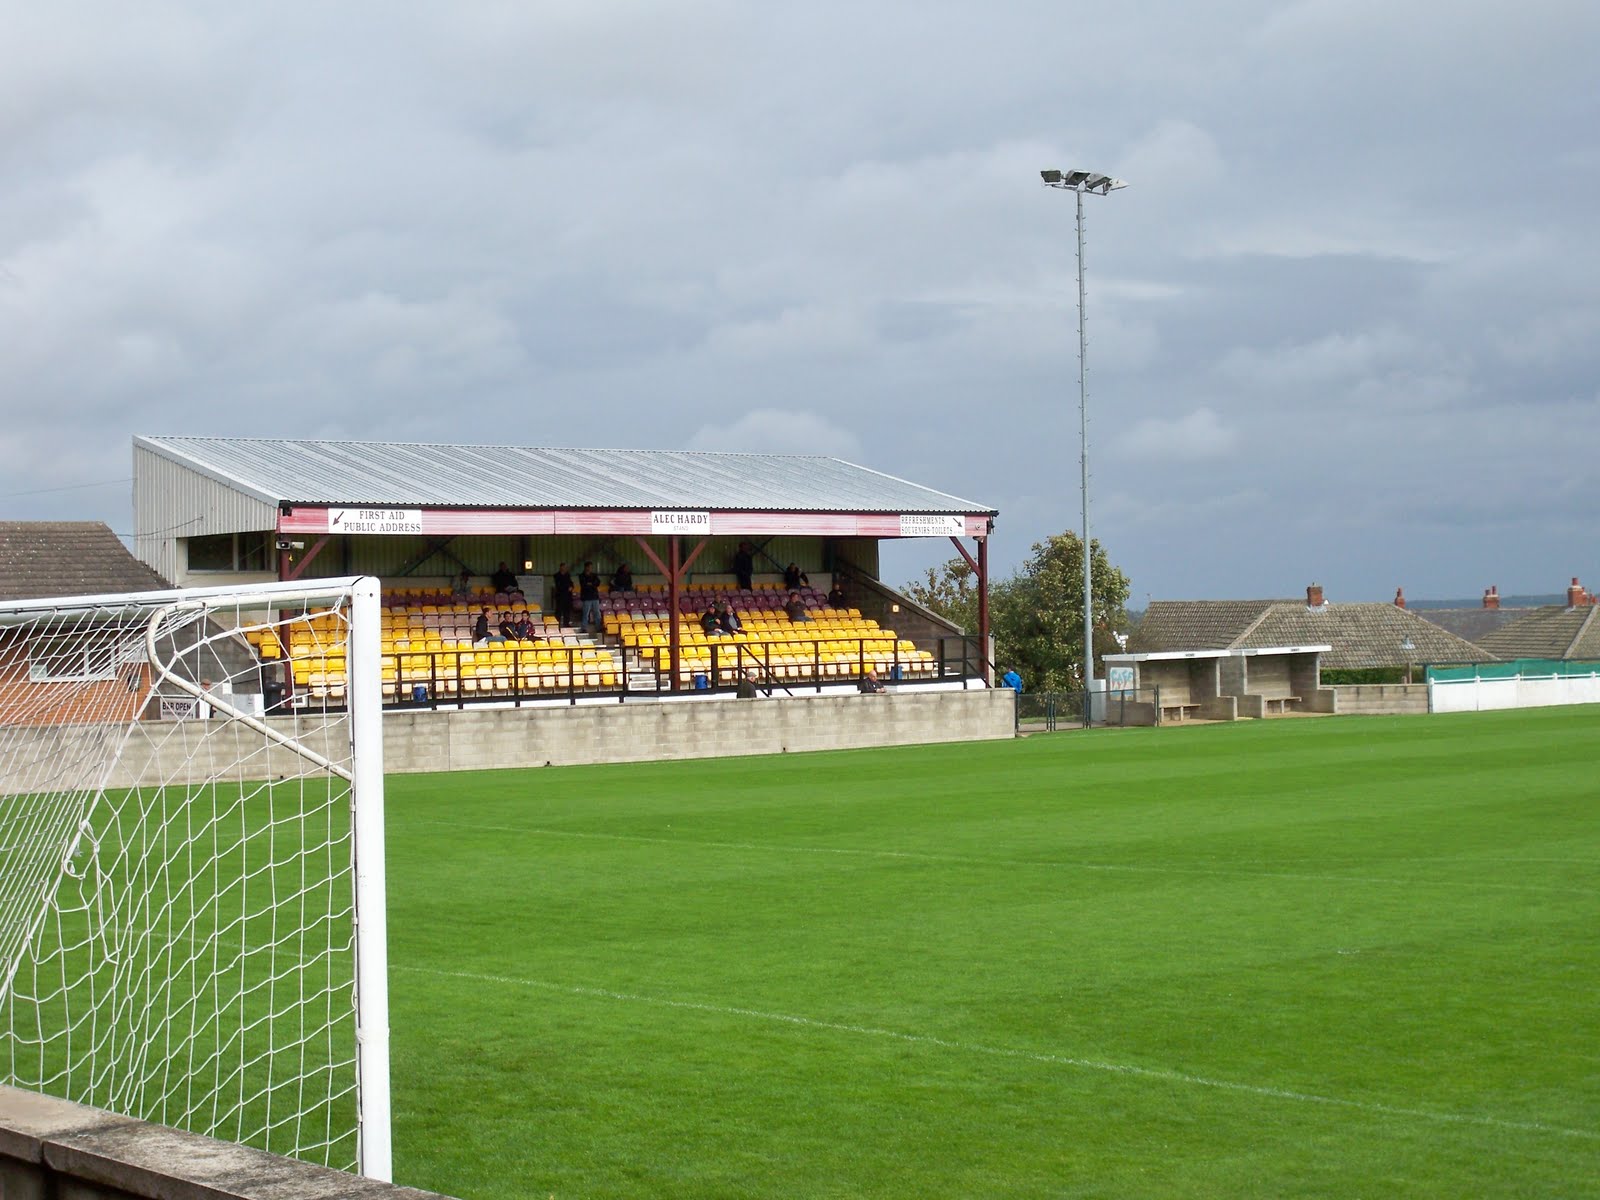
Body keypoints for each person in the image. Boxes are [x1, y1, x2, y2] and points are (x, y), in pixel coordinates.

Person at [578, 562, 602, 632]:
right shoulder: (581, 576)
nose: (591, 568)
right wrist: (592, 584)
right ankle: (584, 628)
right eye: (589, 567)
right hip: (586, 597)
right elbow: (584, 585)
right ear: (586, 567)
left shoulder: (594, 575)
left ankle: (598, 627)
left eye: (591, 567)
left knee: (597, 613)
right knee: (586, 613)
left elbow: (598, 583)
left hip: (595, 596)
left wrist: (591, 584)